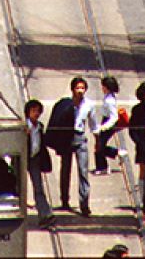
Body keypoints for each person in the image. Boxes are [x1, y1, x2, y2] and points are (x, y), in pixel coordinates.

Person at [44, 76, 92, 217]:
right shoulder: (65, 104)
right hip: (66, 139)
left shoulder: (88, 105)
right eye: (77, 88)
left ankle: (84, 204)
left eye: (82, 88)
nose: (80, 91)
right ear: (72, 90)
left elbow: (93, 124)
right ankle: (64, 200)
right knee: (65, 169)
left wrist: (98, 140)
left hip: (80, 138)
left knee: (83, 171)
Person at [24, 98, 53, 227]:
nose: (36, 113)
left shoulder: (39, 127)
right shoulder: (23, 127)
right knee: (17, 188)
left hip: (34, 159)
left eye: (38, 111)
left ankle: (44, 215)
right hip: (22, 160)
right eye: (33, 111)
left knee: (39, 188)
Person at [90, 73, 126, 175]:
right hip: (105, 121)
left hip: (108, 123)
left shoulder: (110, 100)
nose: (102, 88)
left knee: (99, 146)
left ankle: (103, 167)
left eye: (103, 86)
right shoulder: (108, 97)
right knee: (99, 146)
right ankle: (116, 154)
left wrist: (104, 127)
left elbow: (114, 117)